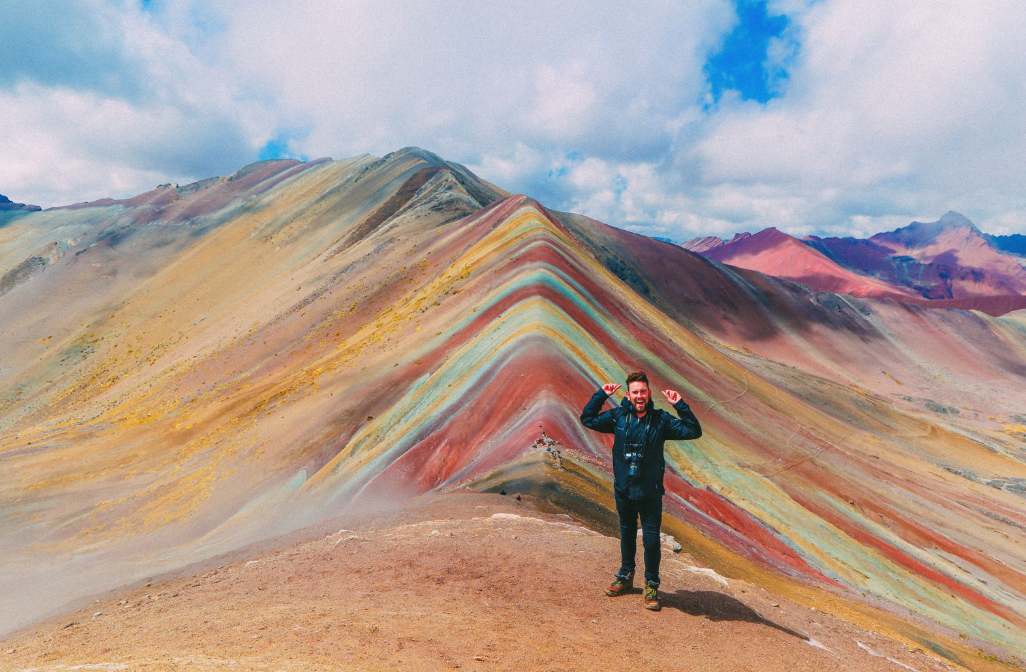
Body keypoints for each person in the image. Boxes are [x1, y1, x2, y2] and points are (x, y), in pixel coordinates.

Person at [580, 370, 702, 611]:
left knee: (651, 541)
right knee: (626, 535)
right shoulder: (618, 418)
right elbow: (588, 418)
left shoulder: (661, 420)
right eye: (635, 392)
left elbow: (693, 430)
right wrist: (600, 396)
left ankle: (651, 586)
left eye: (643, 391)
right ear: (628, 394)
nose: (639, 396)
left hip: (650, 493)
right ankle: (625, 577)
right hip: (624, 489)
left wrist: (680, 405)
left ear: (648, 394)